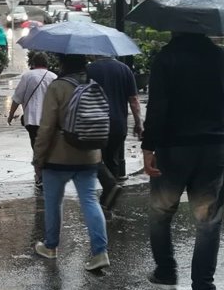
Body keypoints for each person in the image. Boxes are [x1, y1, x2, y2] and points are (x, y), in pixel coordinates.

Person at [141, 32, 224, 290]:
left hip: (174, 148)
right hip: (214, 147)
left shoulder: (166, 58)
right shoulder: (219, 56)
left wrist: (149, 147)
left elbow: (157, 107)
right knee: (208, 221)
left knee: (161, 213)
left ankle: (166, 271)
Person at [31, 53, 109, 272]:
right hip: (89, 155)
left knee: (53, 202)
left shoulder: (57, 87)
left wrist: (38, 158)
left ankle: (51, 246)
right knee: (90, 201)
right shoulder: (93, 84)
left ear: (63, 63)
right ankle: (100, 252)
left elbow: (46, 127)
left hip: (58, 157)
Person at [87, 55, 143, 211]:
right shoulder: (124, 69)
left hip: (95, 123)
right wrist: (139, 123)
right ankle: (109, 199)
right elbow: (134, 100)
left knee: (93, 158)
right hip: (118, 123)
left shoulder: (89, 69)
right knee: (113, 159)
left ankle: (105, 191)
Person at [8, 52, 56, 187]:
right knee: (49, 146)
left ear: (33, 63)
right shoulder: (54, 77)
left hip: (32, 119)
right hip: (49, 120)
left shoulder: (27, 76)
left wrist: (11, 115)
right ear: (47, 63)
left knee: (36, 147)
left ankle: (39, 176)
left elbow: (17, 98)